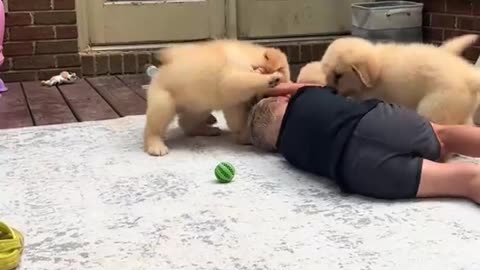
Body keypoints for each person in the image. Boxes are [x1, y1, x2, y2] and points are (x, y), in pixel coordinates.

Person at [248, 83, 480, 203]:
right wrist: (273, 87)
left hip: (359, 170)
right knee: (444, 135)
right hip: (377, 121)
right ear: (282, 99)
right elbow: (315, 86)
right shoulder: (304, 97)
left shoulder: (290, 154)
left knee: (466, 181)